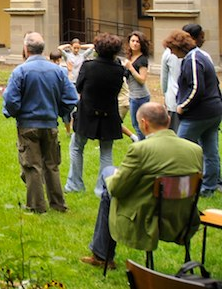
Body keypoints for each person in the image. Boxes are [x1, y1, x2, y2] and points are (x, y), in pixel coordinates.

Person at [79, 102, 203, 271]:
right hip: (182, 220)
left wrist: (112, 176)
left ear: (144, 123)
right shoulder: (195, 150)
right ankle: (100, 254)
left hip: (146, 220)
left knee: (108, 182)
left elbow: (117, 189)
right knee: (111, 178)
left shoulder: (140, 149)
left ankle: (101, 255)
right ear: (167, 120)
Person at [2, 31, 78, 214]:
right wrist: (59, 112)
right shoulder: (58, 71)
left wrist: (13, 112)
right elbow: (71, 98)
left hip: (28, 125)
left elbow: (11, 100)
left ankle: (36, 206)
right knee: (52, 165)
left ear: (26, 49)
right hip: (50, 124)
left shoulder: (20, 71)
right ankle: (58, 204)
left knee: (32, 165)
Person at [65, 33, 126, 195]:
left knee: (77, 147)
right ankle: (101, 189)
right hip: (109, 114)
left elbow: (78, 86)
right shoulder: (120, 70)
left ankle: (75, 184)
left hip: (87, 113)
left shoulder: (88, 66)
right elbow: (117, 90)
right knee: (106, 153)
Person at [173, 26, 222, 197]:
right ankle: (208, 188)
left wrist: (182, 106)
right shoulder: (200, 56)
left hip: (199, 113)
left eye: (172, 49)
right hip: (213, 111)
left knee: (180, 150)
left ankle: (181, 188)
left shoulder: (193, 59)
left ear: (180, 47)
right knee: (210, 150)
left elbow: (197, 88)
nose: (172, 54)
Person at [121, 31, 151, 140]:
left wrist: (131, 68)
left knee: (138, 124)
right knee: (136, 123)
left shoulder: (142, 60)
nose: (134, 44)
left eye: (137, 42)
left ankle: (143, 144)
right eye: (132, 41)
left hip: (140, 96)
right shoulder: (130, 57)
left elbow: (142, 80)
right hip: (132, 94)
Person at [159, 38, 182, 130]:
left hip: (173, 98)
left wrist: (165, 94)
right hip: (183, 100)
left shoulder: (167, 53)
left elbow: (164, 78)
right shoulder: (198, 54)